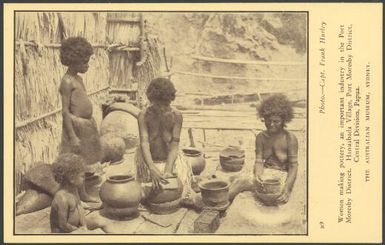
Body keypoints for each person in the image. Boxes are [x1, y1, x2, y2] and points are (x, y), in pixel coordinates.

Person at [134, 77, 197, 206]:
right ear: (152, 100)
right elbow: (144, 143)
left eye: (165, 104)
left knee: (180, 193)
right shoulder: (143, 115)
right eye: (158, 104)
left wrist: (168, 171)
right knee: (141, 195)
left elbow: (174, 147)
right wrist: (151, 168)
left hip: (171, 161)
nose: (162, 108)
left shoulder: (176, 116)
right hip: (148, 161)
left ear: (170, 100)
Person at [229, 94, 299, 204]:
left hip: (281, 177)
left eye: (276, 121)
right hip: (265, 173)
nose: (271, 124)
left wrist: (287, 189)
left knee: (242, 183)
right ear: (264, 118)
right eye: (268, 120)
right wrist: (258, 175)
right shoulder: (261, 137)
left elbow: (293, 166)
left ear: (283, 121)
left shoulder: (290, 138)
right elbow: (259, 160)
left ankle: (216, 201)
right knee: (237, 179)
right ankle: (219, 197)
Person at [58, 37, 101, 203]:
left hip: (84, 126)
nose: (87, 65)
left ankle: (81, 193)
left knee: (83, 160)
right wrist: (73, 136)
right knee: (76, 163)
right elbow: (64, 112)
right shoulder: (67, 82)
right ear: (74, 61)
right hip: (74, 127)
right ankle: (79, 195)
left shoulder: (79, 79)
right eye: (84, 62)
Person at [50, 153, 107, 233]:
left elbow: (79, 208)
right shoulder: (61, 198)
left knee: (101, 222)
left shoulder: (74, 190)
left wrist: (84, 227)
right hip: (64, 232)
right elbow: (63, 225)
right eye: (82, 176)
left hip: (76, 227)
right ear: (71, 179)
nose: (84, 179)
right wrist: (78, 231)